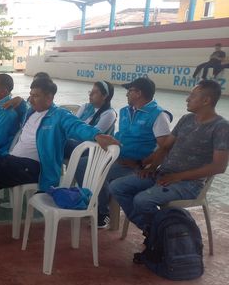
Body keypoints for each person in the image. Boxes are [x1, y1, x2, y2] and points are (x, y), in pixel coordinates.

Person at [0, 77, 119, 248]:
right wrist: (18, 100)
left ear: (49, 97)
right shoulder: (31, 111)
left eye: (36, 95)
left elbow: (76, 126)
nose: (31, 98)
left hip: (33, 167)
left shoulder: (58, 115)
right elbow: (22, 107)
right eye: (30, 94)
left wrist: (96, 135)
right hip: (12, 159)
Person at [110, 80, 229, 239]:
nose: (187, 99)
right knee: (117, 186)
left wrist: (177, 176)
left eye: (192, 96)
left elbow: (219, 166)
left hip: (189, 183)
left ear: (206, 100)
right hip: (163, 175)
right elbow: (165, 146)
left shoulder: (221, 127)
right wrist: (151, 168)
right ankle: (156, 233)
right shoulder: (186, 119)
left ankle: (161, 237)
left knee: (142, 200)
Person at [77, 77, 171, 229]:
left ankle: (103, 212)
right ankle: (94, 202)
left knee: (96, 171)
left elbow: (165, 148)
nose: (127, 94)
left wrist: (143, 164)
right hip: (116, 156)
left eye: (130, 91)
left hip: (134, 164)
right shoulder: (125, 111)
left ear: (139, 93)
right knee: (81, 165)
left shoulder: (158, 115)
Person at [64, 80, 117, 158]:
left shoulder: (109, 113)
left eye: (95, 92)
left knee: (59, 142)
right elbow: (74, 126)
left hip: (94, 150)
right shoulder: (85, 107)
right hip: (77, 144)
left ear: (104, 96)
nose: (90, 94)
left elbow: (92, 136)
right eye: (91, 91)